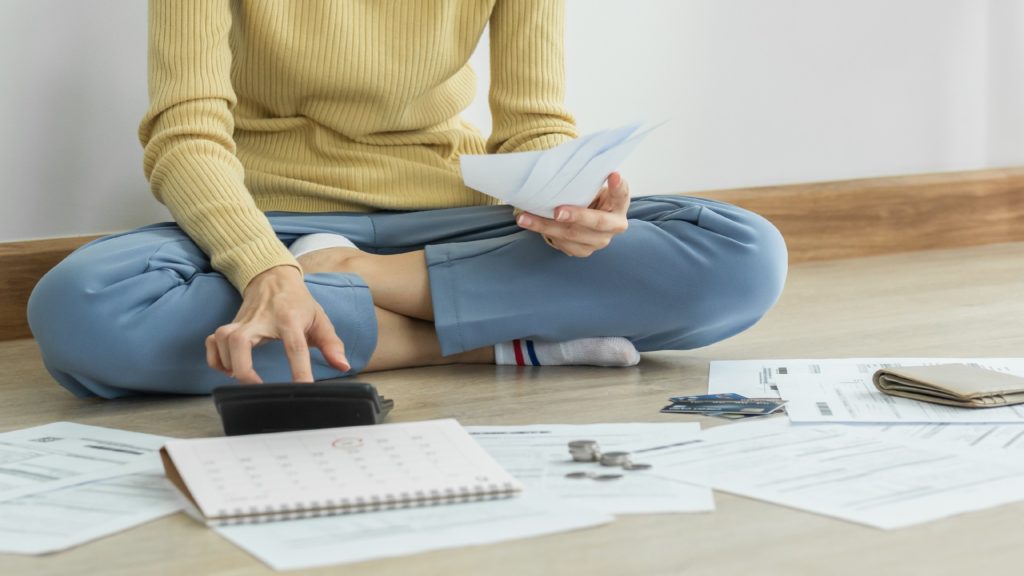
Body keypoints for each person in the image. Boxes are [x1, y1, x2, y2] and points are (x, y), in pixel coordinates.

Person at [27, 0, 787, 399]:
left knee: (743, 254)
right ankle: (490, 340)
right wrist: (266, 268)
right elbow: (184, 132)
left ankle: (362, 284)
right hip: (270, 221)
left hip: (451, 215)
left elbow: (533, 124)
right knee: (82, 309)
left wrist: (570, 201)